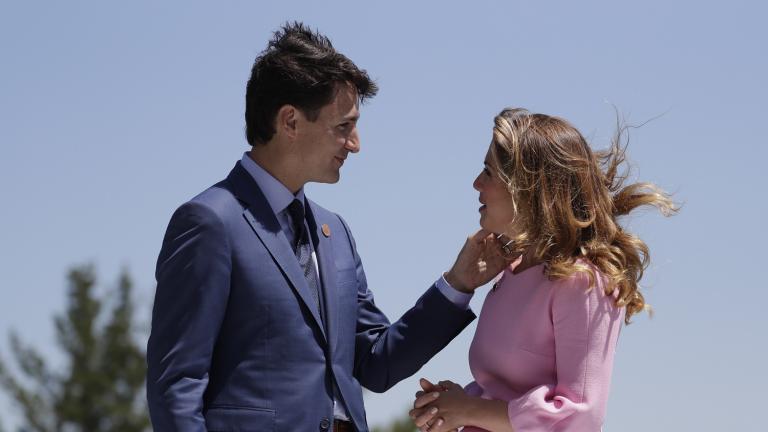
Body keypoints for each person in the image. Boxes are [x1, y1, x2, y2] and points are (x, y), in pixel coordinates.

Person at [145, 22, 502, 432]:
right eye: (343, 127)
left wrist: (458, 284)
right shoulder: (210, 222)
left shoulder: (336, 235)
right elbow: (176, 384)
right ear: (290, 121)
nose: (355, 144)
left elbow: (374, 363)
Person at [409, 108, 677, 432]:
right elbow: (503, 394)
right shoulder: (510, 274)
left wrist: (467, 411)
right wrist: (454, 404)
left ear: (528, 188)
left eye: (488, 173)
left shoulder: (584, 282)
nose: (476, 183)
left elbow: (580, 414)